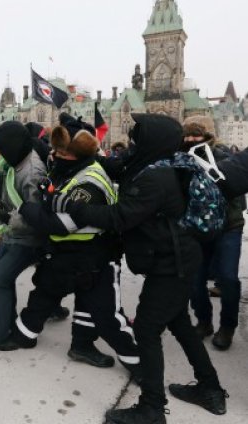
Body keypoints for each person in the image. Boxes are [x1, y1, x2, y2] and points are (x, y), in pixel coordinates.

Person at [52, 114, 227, 423]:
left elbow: (119, 217)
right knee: (180, 325)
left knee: (146, 329)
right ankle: (210, 389)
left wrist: (71, 205)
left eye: (137, 140)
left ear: (151, 142)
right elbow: (120, 169)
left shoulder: (154, 178)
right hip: (178, 259)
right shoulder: (165, 165)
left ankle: (152, 408)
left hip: (171, 265)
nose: (132, 146)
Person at [5, 118, 141, 378]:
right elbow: (54, 198)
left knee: (105, 314)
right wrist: (48, 193)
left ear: (75, 154)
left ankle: (140, 365)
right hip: (65, 255)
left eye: (60, 152)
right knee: (44, 293)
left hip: (94, 256)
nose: (53, 155)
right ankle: (25, 336)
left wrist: (25, 208)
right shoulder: (69, 169)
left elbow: (61, 224)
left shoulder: (89, 181)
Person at [0, 122, 48, 350]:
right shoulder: (16, 163)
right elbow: (11, 196)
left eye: (2, 148)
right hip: (11, 234)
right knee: (3, 280)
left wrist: (10, 219)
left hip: (27, 240)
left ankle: (1, 335)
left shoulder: (32, 172)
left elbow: (38, 214)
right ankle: (5, 320)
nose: (0, 154)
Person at [181, 116, 244, 350]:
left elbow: (237, 192)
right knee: (195, 280)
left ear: (207, 135)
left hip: (229, 226)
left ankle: (227, 327)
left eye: (195, 134)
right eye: (186, 135)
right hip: (198, 228)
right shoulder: (183, 160)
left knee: (227, 278)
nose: (189, 139)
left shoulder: (224, 157)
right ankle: (204, 321)